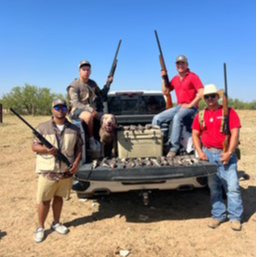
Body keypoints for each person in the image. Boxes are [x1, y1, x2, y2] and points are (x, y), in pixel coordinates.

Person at [192, 84, 244, 231]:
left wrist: (229, 152)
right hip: (208, 154)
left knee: (232, 187)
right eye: (206, 97)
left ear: (218, 97)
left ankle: (235, 217)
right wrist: (200, 152)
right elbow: (195, 134)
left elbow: (235, 133)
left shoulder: (229, 112)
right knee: (214, 187)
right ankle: (218, 215)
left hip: (225, 153)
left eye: (212, 96)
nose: (209, 99)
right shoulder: (201, 115)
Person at [32, 99, 83, 243]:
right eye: (57, 107)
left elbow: (79, 148)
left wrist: (76, 163)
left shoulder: (74, 129)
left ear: (67, 110)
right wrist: (46, 149)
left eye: (63, 107)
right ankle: (40, 228)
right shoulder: (42, 128)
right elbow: (34, 147)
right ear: (52, 110)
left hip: (66, 171)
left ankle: (56, 223)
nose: (60, 109)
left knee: (59, 198)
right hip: (48, 171)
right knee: (44, 200)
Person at [152, 55, 204, 157]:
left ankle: (173, 148)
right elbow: (165, 91)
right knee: (157, 118)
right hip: (179, 106)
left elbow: (201, 92)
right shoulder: (175, 79)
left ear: (187, 65)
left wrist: (190, 104)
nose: (180, 65)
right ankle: (157, 145)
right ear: (176, 66)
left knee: (177, 117)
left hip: (191, 108)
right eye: (178, 63)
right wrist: (163, 78)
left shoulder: (193, 76)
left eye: (182, 63)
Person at [67, 60, 113, 151]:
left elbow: (102, 95)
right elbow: (76, 103)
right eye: (84, 69)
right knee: (88, 116)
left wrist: (108, 83)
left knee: (108, 117)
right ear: (79, 71)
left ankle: (107, 144)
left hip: (91, 110)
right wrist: (90, 109)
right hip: (76, 110)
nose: (86, 72)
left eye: (88, 70)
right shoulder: (73, 86)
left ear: (90, 71)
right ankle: (91, 140)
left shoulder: (93, 83)